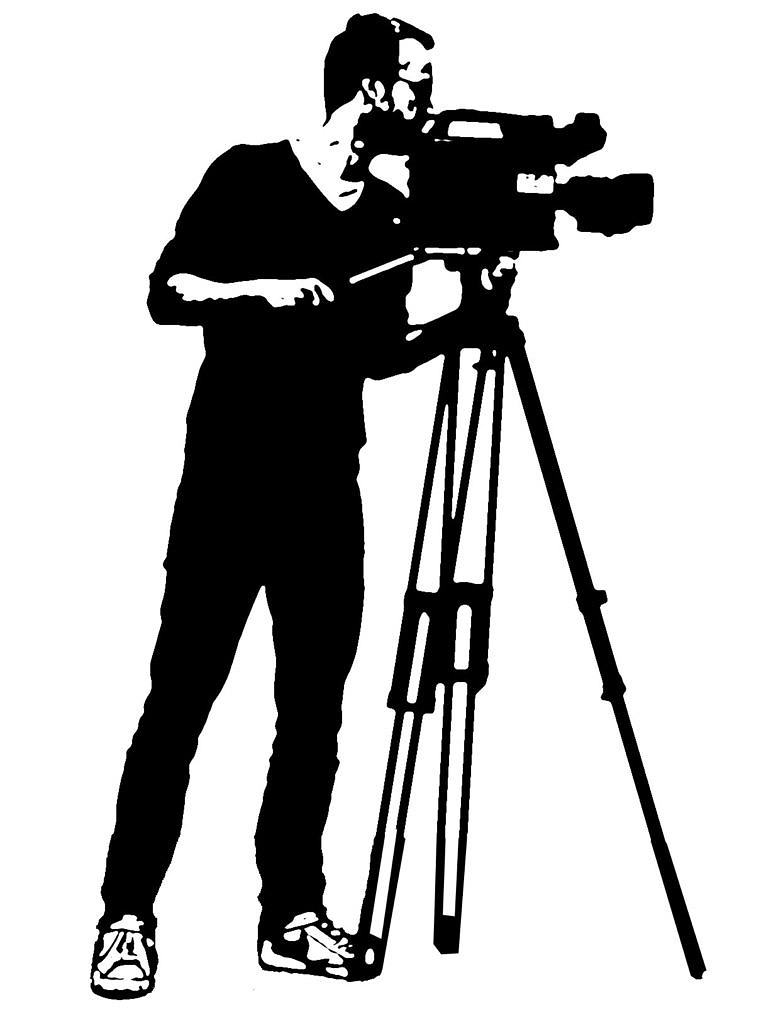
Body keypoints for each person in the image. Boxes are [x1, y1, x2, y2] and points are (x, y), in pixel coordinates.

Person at [90, 13, 514, 996]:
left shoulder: (392, 217)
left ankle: (291, 914)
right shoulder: (246, 174)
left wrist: (468, 317)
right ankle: (126, 916)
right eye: (417, 82)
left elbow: (377, 354)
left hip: (326, 492)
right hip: (227, 485)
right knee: (179, 702)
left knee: (313, 714)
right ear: (370, 87)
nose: (428, 101)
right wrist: (263, 294)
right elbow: (166, 290)